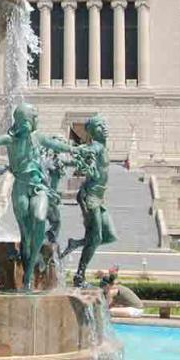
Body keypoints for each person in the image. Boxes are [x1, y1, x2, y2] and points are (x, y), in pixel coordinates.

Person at [0, 104, 75, 291]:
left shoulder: (38, 137)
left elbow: (56, 145)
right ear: (23, 120)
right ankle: (27, 271)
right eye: (32, 118)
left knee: (39, 218)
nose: (35, 122)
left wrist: (78, 149)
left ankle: (28, 272)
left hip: (38, 187)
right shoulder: (10, 139)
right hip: (20, 187)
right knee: (26, 236)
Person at [61, 115, 119, 287]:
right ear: (93, 131)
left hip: (99, 197)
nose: (105, 128)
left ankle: (76, 243)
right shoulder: (95, 146)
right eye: (100, 126)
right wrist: (75, 151)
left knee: (108, 236)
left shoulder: (102, 146)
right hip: (90, 197)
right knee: (95, 237)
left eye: (105, 125)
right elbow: (87, 151)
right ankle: (79, 276)